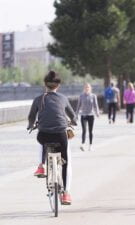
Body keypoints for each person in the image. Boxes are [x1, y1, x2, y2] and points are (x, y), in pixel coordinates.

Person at [27, 70, 77, 205]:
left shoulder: (38, 99)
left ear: (45, 84)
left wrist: (30, 125)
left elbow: (31, 116)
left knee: (41, 141)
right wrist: (74, 122)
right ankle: (66, 193)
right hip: (61, 135)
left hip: (43, 134)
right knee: (67, 162)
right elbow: (72, 115)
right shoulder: (63, 98)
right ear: (58, 86)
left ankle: (41, 165)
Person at [76, 83, 100, 151]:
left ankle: (90, 145)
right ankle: (83, 144)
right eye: (86, 87)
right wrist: (76, 115)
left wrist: (97, 113)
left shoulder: (93, 96)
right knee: (84, 130)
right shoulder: (81, 96)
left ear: (90, 88)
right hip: (83, 115)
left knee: (90, 131)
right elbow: (78, 106)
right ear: (84, 88)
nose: (87, 88)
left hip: (91, 115)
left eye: (88, 87)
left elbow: (96, 105)